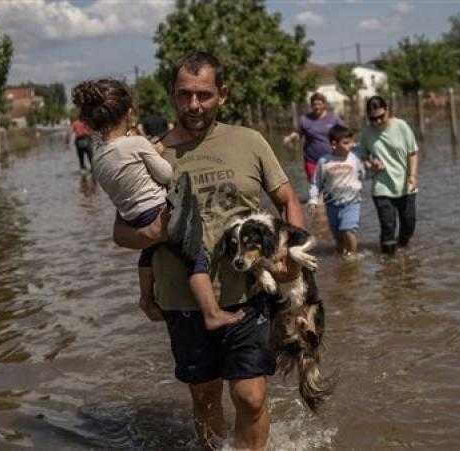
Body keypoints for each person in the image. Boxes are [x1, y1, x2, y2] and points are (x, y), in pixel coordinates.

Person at [112, 51, 304, 451]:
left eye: (204, 95)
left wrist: (291, 256)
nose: (194, 105)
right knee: (204, 396)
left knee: (250, 396)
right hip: (182, 301)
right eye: (184, 95)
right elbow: (121, 232)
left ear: (223, 95)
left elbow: (287, 199)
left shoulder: (249, 141)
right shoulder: (151, 155)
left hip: (248, 292)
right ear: (172, 96)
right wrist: (157, 231)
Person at [72, 79, 244, 331]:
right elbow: (165, 175)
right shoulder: (135, 143)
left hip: (132, 216)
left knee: (150, 250)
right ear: (128, 113)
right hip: (159, 209)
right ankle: (211, 312)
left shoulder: (97, 156)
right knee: (197, 257)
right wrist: (154, 152)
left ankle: (146, 298)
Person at [359, 95, 419, 254]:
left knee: (409, 225)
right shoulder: (366, 133)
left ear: (387, 110)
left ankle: (404, 252)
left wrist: (412, 176)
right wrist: (371, 164)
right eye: (373, 119)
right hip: (382, 186)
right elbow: (362, 156)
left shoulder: (402, 126)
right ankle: (388, 268)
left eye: (380, 117)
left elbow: (412, 153)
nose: (377, 122)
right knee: (388, 227)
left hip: (405, 184)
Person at [307, 124, 365, 259]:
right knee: (338, 237)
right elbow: (316, 183)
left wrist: (374, 169)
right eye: (346, 143)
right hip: (332, 204)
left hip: (352, 202)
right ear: (334, 144)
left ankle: (352, 257)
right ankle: (341, 257)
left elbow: (363, 174)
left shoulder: (354, 159)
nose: (351, 145)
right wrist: (313, 199)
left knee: (348, 230)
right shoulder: (324, 161)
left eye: (352, 141)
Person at [283, 92, 344, 181]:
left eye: (319, 104)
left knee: (331, 186)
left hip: (330, 160)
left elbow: (344, 132)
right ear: (311, 105)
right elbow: (298, 133)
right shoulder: (305, 119)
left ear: (324, 104)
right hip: (311, 160)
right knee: (315, 188)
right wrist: (289, 138)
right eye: (314, 104)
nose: (317, 107)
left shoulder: (333, 118)